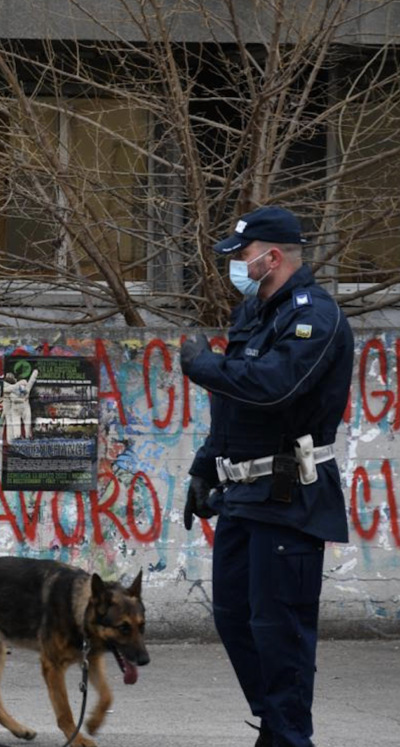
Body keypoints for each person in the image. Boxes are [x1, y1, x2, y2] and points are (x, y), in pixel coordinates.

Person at [179, 206, 354, 747]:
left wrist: (202, 365)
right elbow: (235, 408)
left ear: (271, 257)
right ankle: (276, 724)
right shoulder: (252, 313)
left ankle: (287, 736)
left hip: (289, 494)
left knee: (280, 630)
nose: (236, 266)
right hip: (243, 493)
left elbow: (272, 386)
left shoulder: (314, 316)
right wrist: (205, 467)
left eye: (241, 256)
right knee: (235, 617)